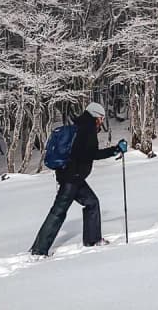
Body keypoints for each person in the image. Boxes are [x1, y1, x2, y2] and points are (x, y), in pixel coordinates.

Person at [30, 101, 127, 256]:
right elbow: (92, 154)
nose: (102, 121)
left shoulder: (80, 126)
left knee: (92, 203)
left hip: (71, 177)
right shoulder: (88, 130)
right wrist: (115, 150)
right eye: (101, 117)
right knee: (58, 212)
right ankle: (39, 250)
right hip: (72, 179)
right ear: (95, 116)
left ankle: (92, 240)